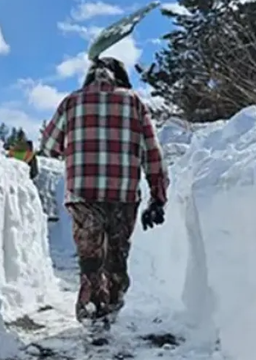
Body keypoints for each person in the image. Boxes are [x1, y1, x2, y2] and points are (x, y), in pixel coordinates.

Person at [38, 56, 168, 325]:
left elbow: (49, 145)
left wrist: (75, 146)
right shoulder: (134, 102)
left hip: (82, 194)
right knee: (116, 254)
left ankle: (91, 302)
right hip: (123, 195)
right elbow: (152, 152)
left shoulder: (71, 102)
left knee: (90, 253)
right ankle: (111, 304)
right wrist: (158, 196)